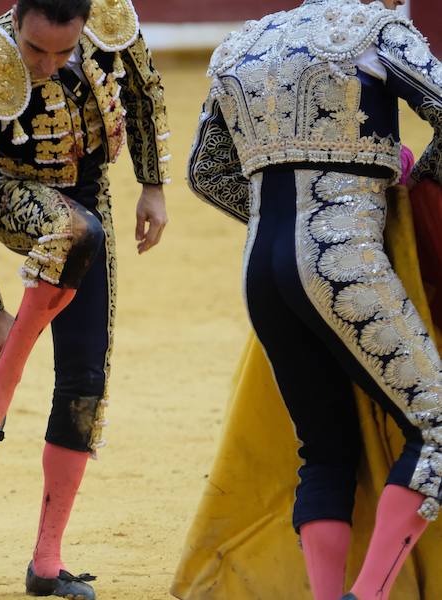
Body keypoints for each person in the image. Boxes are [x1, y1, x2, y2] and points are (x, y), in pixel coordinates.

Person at [187, 1, 442, 598]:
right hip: (342, 263)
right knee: (437, 424)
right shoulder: (376, 30)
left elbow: (206, 172)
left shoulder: (241, 44)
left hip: (260, 272)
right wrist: (418, 187)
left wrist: (273, 218)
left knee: (325, 449)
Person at [0, 0, 170, 597]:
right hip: (8, 191)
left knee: (87, 379)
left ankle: (46, 562)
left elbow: (144, 91)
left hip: (91, 198)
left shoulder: (110, 19)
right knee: (76, 230)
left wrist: (152, 185)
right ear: (16, 20)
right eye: (36, 49)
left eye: (64, 51)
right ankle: (2, 384)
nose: (49, 63)